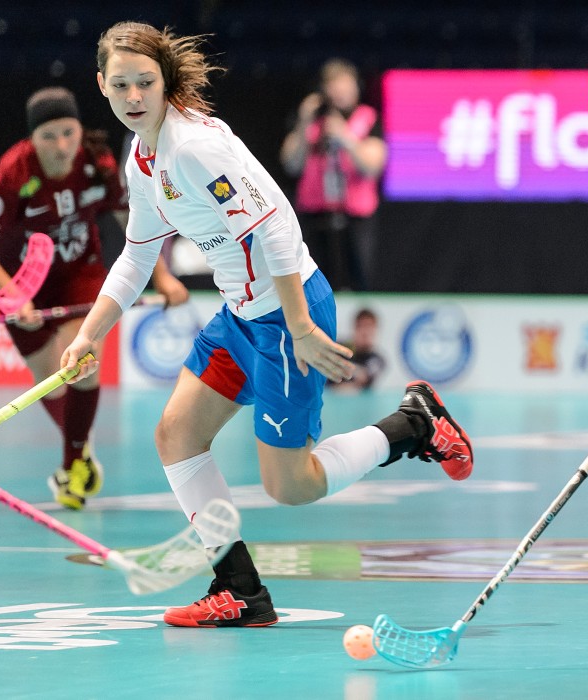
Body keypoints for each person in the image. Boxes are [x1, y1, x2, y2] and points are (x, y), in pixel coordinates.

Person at [62, 21, 473, 627]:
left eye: (144, 82)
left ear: (164, 80)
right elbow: (138, 252)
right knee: (176, 434)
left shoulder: (193, 148)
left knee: (292, 485)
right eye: (120, 84)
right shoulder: (142, 157)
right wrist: (88, 333)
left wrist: (301, 326)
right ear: (101, 84)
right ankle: (239, 591)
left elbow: (274, 227)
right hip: (239, 317)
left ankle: (413, 423)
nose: (132, 96)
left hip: (286, 315)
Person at [0, 86, 189, 510]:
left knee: (81, 365)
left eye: (68, 132)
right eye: (49, 136)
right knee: (48, 383)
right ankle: (81, 453)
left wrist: (163, 278)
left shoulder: (97, 161)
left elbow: (132, 217)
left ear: (79, 129)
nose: (62, 146)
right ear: (32, 138)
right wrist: (14, 294)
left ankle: (73, 464)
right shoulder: (12, 174)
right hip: (18, 279)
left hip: (80, 271)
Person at [279, 59, 386, 292]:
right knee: (313, 282)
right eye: (334, 86)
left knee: (359, 281)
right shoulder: (313, 122)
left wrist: (345, 137)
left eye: (345, 86)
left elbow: (373, 165)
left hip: (355, 218)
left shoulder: (368, 118)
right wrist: (304, 121)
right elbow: (290, 163)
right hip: (315, 216)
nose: (339, 93)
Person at [335, 307, 386, 393]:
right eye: (362, 326)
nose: (365, 332)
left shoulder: (377, 360)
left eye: (369, 327)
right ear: (355, 328)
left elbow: (363, 378)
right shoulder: (339, 348)